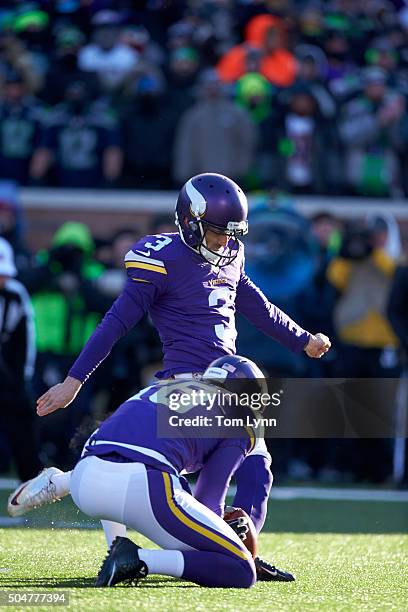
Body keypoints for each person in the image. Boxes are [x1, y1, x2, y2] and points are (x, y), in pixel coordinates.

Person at [8, 173, 330, 578]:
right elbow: (117, 321)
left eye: (230, 234)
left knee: (257, 468)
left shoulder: (231, 254)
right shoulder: (163, 258)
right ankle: (221, 548)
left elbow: (257, 306)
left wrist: (302, 339)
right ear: (190, 221)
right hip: (183, 386)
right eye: (215, 233)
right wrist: (75, 379)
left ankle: (236, 545)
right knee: (187, 470)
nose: (223, 242)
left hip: (226, 378)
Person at [0, 238, 41, 481]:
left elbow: (26, 338)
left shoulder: (15, 294)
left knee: (23, 420)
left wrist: (22, 378)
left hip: (8, 369)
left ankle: (31, 480)